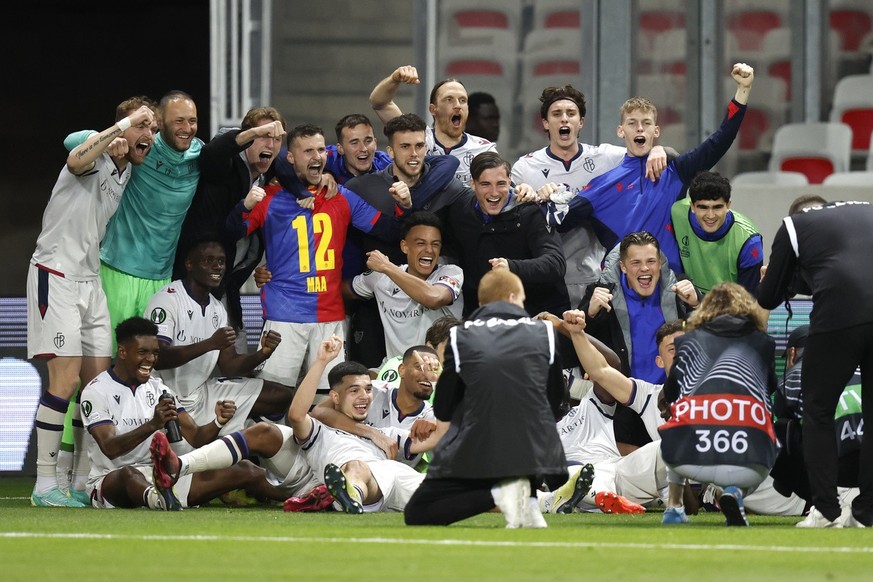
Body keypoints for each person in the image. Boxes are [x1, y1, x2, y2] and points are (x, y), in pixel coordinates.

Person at [28, 99, 156, 507]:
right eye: (142, 126)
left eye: (151, 128)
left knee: (96, 386)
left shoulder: (125, 169)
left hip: (90, 281)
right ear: (122, 128)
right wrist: (120, 128)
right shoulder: (93, 152)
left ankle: (81, 481)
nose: (147, 135)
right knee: (63, 382)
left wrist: (126, 138)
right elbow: (75, 152)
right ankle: (45, 483)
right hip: (56, 274)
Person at [224, 123, 412, 396]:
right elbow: (230, 233)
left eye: (321, 149)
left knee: (328, 401)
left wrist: (404, 206)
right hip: (283, 317)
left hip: (330, 317)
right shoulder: (269, 199)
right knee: (271, 400)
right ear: (290, 158)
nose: (316, 156)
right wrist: (245, 206)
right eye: (308, 150)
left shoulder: (342, 197)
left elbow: (389, 231)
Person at [543, 63, 754, 275]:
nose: (640, 128)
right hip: (623, 292)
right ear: (620, 131)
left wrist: (742, 91)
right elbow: (557, 221)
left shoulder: (674, 171)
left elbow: (719, 141)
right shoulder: (601, 186)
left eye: (646, 122)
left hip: (673, 288)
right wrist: (531, 195)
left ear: (656, 130)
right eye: (632, 123)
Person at [404, 270, 568, 528]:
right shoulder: (545, 333)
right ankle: (528, 500)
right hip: (537, 454)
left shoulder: (460, 337)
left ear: (482, 303)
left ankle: (504, 495)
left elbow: (444, 408)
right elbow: (556, 400)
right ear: (513, 297)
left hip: (478, 448)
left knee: (418, 513)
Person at [81, 317, 282, 510]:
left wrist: (218, 422)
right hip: (111, 481)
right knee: (128, 475)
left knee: (244, 469)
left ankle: (302, 495)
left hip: (162, 476)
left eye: (155, 353)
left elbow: (196, 437)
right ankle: (159, 500)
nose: (150, 359)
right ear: (123, 352)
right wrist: (153, 424)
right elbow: (109, 447)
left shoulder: (158, 388)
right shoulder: (96, 391)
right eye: (142, 352)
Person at [758, 197, 873, 528]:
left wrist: (790, 279)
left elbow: (767, 297)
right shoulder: (865, 209)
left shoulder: (794, 227)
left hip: (839, 314)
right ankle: (866, 512)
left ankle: (825, 509)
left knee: (818, 410)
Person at [65, 91, 204, 344]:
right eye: (179, 121)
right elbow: (70, 141)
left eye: (192, 121)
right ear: (161, 123)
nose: (187, 128)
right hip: (117, 270)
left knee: (150, 364)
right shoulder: (142, 147)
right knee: (105, 359)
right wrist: (106, 139)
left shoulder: (200, 154)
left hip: (162, 279)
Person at [512, 84, 669, 306]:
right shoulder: (525, 168)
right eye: (557, 114)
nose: (564, 119)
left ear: (581, 122)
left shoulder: (606, 158)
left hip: (594, 278)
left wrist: (659, 150)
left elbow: (641, 150)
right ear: (546, 123)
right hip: (543, 280)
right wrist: (534, 198)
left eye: (571, 113)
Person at [659, 283, 780, 526]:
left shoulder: (688, 342)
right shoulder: (763, 343)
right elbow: (771, 387)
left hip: (687, 459)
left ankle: (673, 507)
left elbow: (671, 393)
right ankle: (736, 493)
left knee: (677, 421)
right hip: (749, 464)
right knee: (769, 435)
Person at [146, 239, 294, 435]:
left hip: (202, 393)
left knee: (280, 396)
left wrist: (263, 353)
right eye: (209, 260)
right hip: (163, 396)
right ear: (189, 264)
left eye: (221, 261)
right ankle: (228, 432)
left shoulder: (217, 308)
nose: (217, 266)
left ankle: (243, 430)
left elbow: (230, 366)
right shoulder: (167, 299)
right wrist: (210, 344)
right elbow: (156, 358)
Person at [174, 106, 287, 342]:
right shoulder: (226, 166)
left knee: (234, 367)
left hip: (228, 290)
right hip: (193, 288)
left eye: (276, 139)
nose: (270, 144)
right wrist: (251, 133)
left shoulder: (269, 178)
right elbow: (211, 154)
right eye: (263, 136)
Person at [580, 232, 699, 452]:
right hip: (624, 405)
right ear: (623, 267)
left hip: (672, 403)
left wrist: (696, 306)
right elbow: (578, 339)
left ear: (660, 263)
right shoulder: (600, 294)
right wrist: (590, 314)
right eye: (636, 263)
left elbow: (707, 343)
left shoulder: (681, 290)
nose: (644, 269)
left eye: (650, 261)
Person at [445, 151, 569, 318]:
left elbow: (555, 264)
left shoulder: (530, 211)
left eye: (501, 183)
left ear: (510, 181)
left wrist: (510, 267)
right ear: (472, 184)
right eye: (485, 184)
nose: (494, 192)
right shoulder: (460, 209)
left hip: (537, 317)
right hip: (482, 318)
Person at [347, 211, 464, 360]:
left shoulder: (451, 273)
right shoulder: (381, 278)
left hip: (438, 371)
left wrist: (387, 266)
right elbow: (345, 289)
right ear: (404, 246)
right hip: (395, 372)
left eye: (435, 244)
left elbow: (434, 298)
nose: (429, 250)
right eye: (421, 243)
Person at [770, 324, 861, 509]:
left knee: (781, 428)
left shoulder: (794, 376)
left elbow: (784, 424)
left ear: (793, 353)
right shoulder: (859, 368)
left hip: (836, 466)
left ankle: (818, 501)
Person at [369, 65, 497, 184]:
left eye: (462, 100)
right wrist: (394, 78)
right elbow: (380, 104)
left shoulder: (484, 149)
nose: (457, 105)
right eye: (449, 99)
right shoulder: (417, 137)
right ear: (433, 109)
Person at [671, 170, 763, 295]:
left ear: (728, 205)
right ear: (692, 206)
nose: (710, 215)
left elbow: (748, 303)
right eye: (703, 207)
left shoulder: (749, 240)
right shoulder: (676, 212)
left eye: (717, 207)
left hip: (731, 308)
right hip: (688, 302)